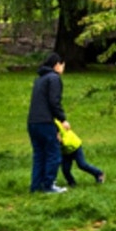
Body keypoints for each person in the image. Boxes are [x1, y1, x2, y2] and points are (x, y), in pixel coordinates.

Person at [27, 51, 71, 193]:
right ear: (57, 65)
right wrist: (62, 119)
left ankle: (36, 185)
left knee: (39, 154)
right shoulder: (54, 79)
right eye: (63, 65)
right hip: (45, 121)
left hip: (33, 122)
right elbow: (54, 101)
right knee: (54, 154)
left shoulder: (39, 79)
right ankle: (49, 184)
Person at [58, 120, 105, 186]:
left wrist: (60, 140)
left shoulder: (58, 125)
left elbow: (65, 139)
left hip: (75, 146)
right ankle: (72, 183)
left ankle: (99, 173)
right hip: (65, 152)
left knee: (82, 165)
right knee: (65, 169)